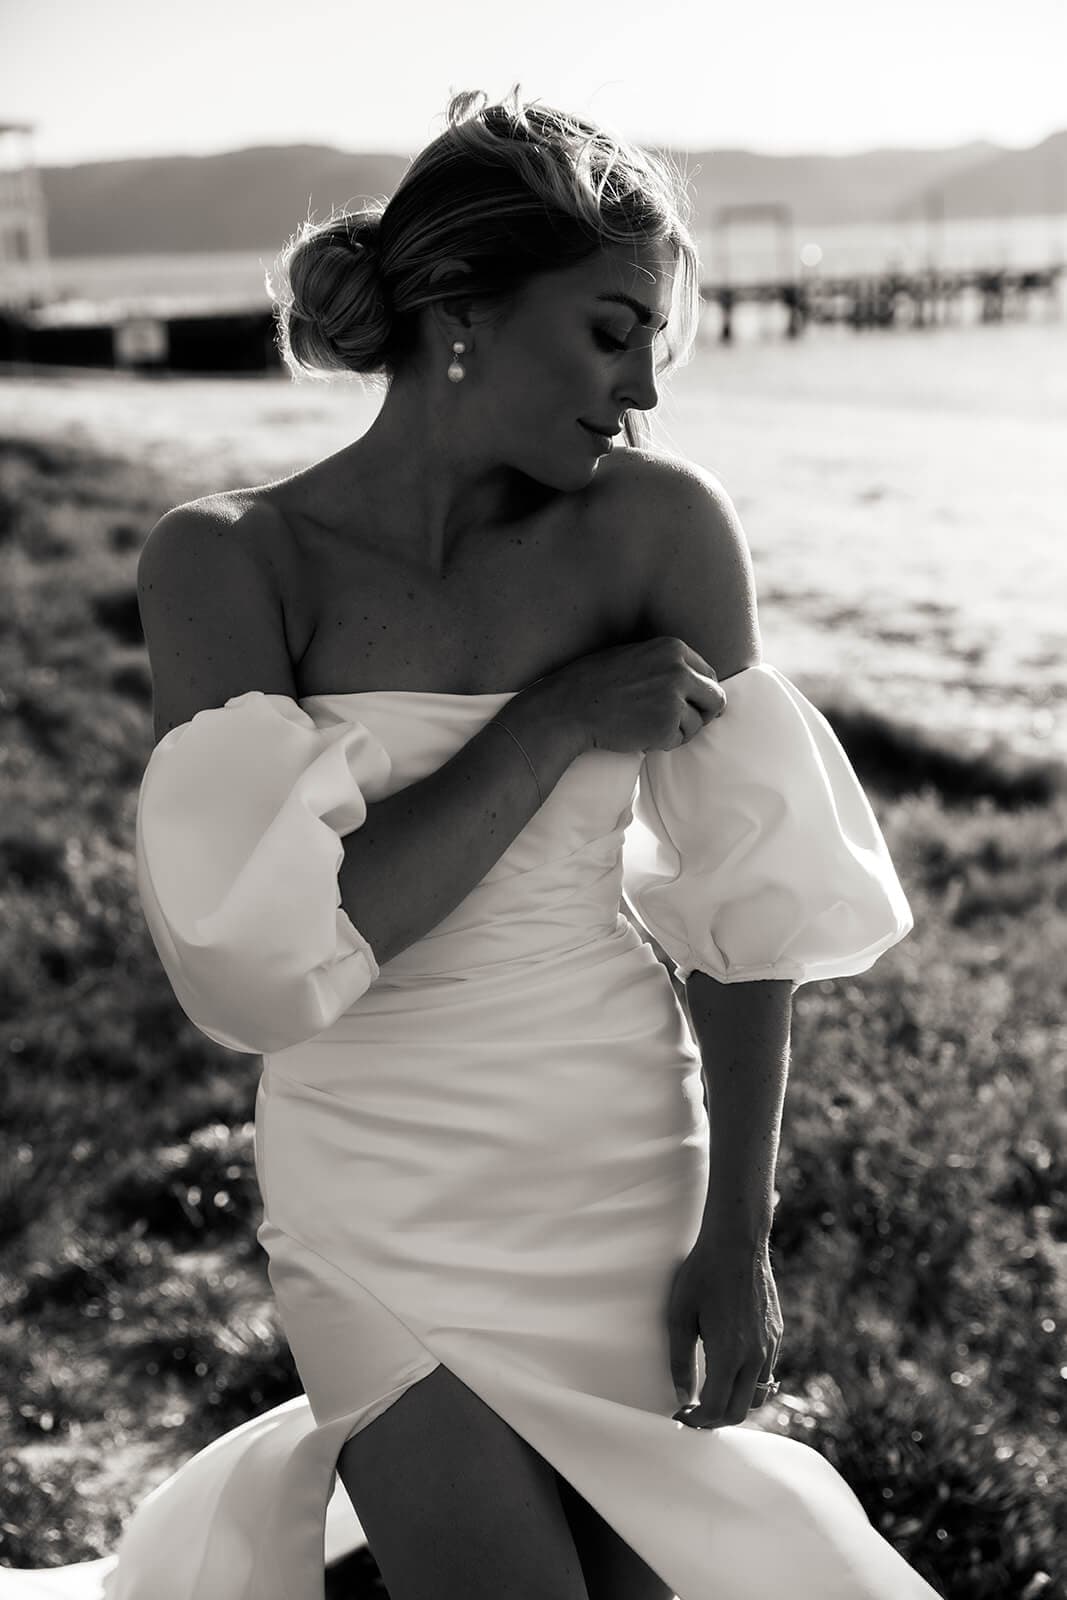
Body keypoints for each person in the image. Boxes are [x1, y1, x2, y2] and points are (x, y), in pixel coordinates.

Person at [8, 88, 941, 1600]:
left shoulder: (661, 531)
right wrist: (551, 720)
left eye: (656, 343)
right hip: (369, 1187)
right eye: (611, 332)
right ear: (462, 311)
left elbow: (743, 917)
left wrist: (738, 1236)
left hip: (617, 1161)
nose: (643, 389)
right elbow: (280, 965)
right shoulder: (229, 562)